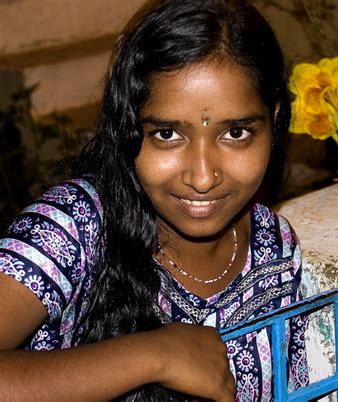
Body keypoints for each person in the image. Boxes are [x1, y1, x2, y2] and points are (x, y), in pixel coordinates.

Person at [0, 0, 308, 400]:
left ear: (275, 119)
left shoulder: (274, 247)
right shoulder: (72, 228)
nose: (202, 177)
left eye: (235, 133)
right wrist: (154, 354)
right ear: (129, 126)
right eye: (166, 134)